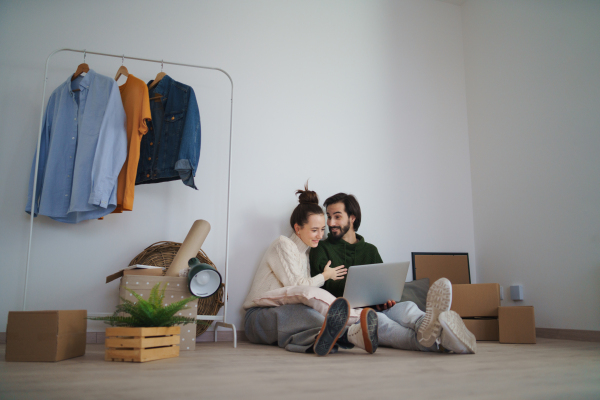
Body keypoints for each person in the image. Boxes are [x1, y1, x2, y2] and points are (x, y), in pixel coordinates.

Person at [310, 192, 477, 354]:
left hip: (378, 307)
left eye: (337, 216)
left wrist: (386, 299)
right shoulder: (322, 249)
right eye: (329, 216)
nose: (330, 223)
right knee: (381, 323)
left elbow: (383, 284)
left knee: (408, 308)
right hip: (355, 313)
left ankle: (429, 325)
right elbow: (323, 288)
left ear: (352, 218)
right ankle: (444, 342)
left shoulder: (370, 250)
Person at [243, 185, 379, 356]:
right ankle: (351, 332)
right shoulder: (282, 245)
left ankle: (337, 339)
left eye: (322, 230)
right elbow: (298, 287)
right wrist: (325, 276)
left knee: (313, 318)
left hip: (287, 313)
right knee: (304, 315)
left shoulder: (306, 254)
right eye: (314, 230)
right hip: (258, 317)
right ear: (298, 228)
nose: (320, 236)